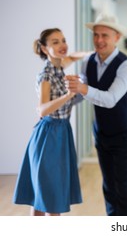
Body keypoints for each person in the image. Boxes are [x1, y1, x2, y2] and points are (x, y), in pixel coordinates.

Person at [65, 13, 127, 216]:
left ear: (117, 37)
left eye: (104, 35)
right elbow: (82, 95)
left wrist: (81, 88)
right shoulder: (88, 61)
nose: (99, 40)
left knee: (123, 189)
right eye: (96, 35)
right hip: (101, 133)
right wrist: (65, 98)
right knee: (108, 186)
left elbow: (110, 99)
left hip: (124, 134)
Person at [13, 28, 85, 216]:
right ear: (45, 49)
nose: (62, 45)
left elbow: (74, 56)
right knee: (52, 198)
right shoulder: (46, 75)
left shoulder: (60, 65)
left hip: (61, 133)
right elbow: (42, 109)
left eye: (63, 40)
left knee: (42, 196)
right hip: (49, 136)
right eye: (55, 42)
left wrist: (91, 54)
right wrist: (69, 94)